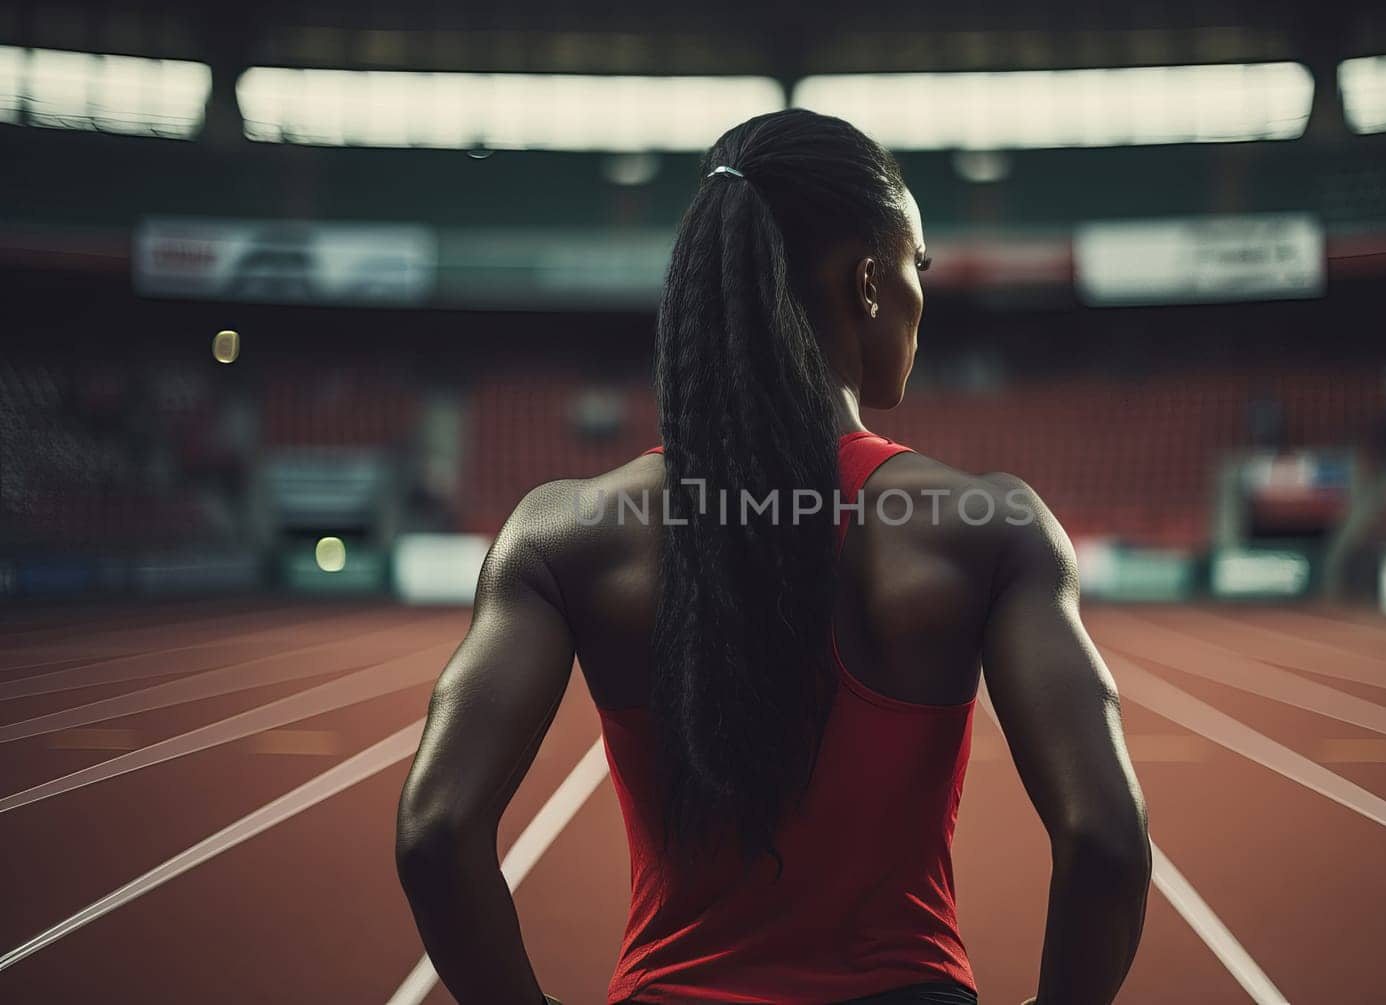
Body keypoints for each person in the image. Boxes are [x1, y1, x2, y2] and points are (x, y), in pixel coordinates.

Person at [396, 108, 1150, 1005]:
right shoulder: (987, 525)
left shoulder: (564, 532)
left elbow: (436, 829)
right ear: (870, 280)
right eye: (920, 264)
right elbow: (1106, 837)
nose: (922, 291)